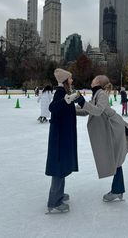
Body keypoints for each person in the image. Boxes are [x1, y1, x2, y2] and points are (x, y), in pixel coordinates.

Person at [74, 75, 128, 202]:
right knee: (116, 159)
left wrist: (82, 102)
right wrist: (72, 110)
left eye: (94, 79)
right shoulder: (97, 94)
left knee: (116, 159)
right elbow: (87, 111)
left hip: (114, 128)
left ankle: (117, 190)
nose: (91, 80)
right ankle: (118, 189)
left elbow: (97, 111)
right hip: (111, 128)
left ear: (97, 83)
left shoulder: (101, 94)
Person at [45, 68, 78, 214]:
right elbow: (52, 107)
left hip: (64, 135)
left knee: (62, 165)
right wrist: (66, 100)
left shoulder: (65, 92)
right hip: (59, 137)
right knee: (58, 167)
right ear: (65, 81)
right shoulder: (60, 93)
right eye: (70, 79)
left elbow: (67, 110)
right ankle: (54, 201)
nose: (72, 81)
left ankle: (59, 194)